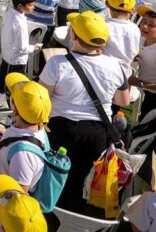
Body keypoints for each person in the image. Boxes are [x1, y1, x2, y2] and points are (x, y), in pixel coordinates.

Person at [39, 11, 130, 210]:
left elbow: (42, 99)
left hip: (61, 130)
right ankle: (76, 216)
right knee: (84, 178)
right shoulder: (116, 65)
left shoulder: (57, 63)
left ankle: (54, 210)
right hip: (98, 132)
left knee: (57, 174)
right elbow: (123, 100)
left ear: (73, 36)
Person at [0, 73, 53, 194]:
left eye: (12, 97)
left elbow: (16, 197)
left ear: (15, 109)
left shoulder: (23, 156)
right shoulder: (37, 126)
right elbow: (18, 135)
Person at [0, 0, 39, 91]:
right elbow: (22, 47)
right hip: (15, 60)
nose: (34, 7)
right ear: (20, 6)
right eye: (30, 5)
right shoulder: (19, 23)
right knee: (13, 83)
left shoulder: (10, 12)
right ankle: (2, 97)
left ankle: (0, 93)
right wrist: (34, 48)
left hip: (8, 53)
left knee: (4, 75)